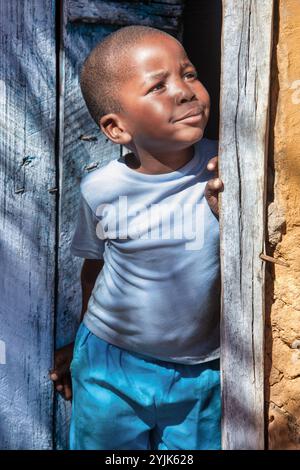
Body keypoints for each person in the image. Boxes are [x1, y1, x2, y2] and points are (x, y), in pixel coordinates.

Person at [49, 25, 224, 450]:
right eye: (158, 86)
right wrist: (79, 342)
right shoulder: (101, 190)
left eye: (189, 74)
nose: (184, 92)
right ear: (116, 128)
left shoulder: (228, 169)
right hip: (112, 363)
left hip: (200, 372)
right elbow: (94, 269)